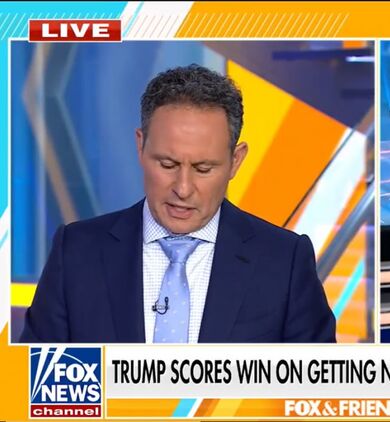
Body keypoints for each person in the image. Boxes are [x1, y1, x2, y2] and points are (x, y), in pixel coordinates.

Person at [20, 65, 336, 343]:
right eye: (168, 164)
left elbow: (317, 386)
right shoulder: (76, 251)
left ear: (236, 161)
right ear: (141, 146)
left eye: (203, 168)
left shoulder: (284, 262)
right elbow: (32, 381)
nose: (183, 189)